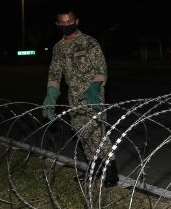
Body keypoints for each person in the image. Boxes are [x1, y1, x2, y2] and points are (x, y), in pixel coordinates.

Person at [42, 10, 119, 187]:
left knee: (97, 133)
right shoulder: (58, 47)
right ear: (58, 25)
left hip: (93, 94)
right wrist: (51, 95)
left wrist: (94, 87)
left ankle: (111, 171)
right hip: (73, 96)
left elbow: (101, 69)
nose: (67, 25)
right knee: (81, 132)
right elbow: (55, 73)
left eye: (70, 21)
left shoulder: (89, 42)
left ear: (77, 21)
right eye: (62, 23)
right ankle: (94, 167)